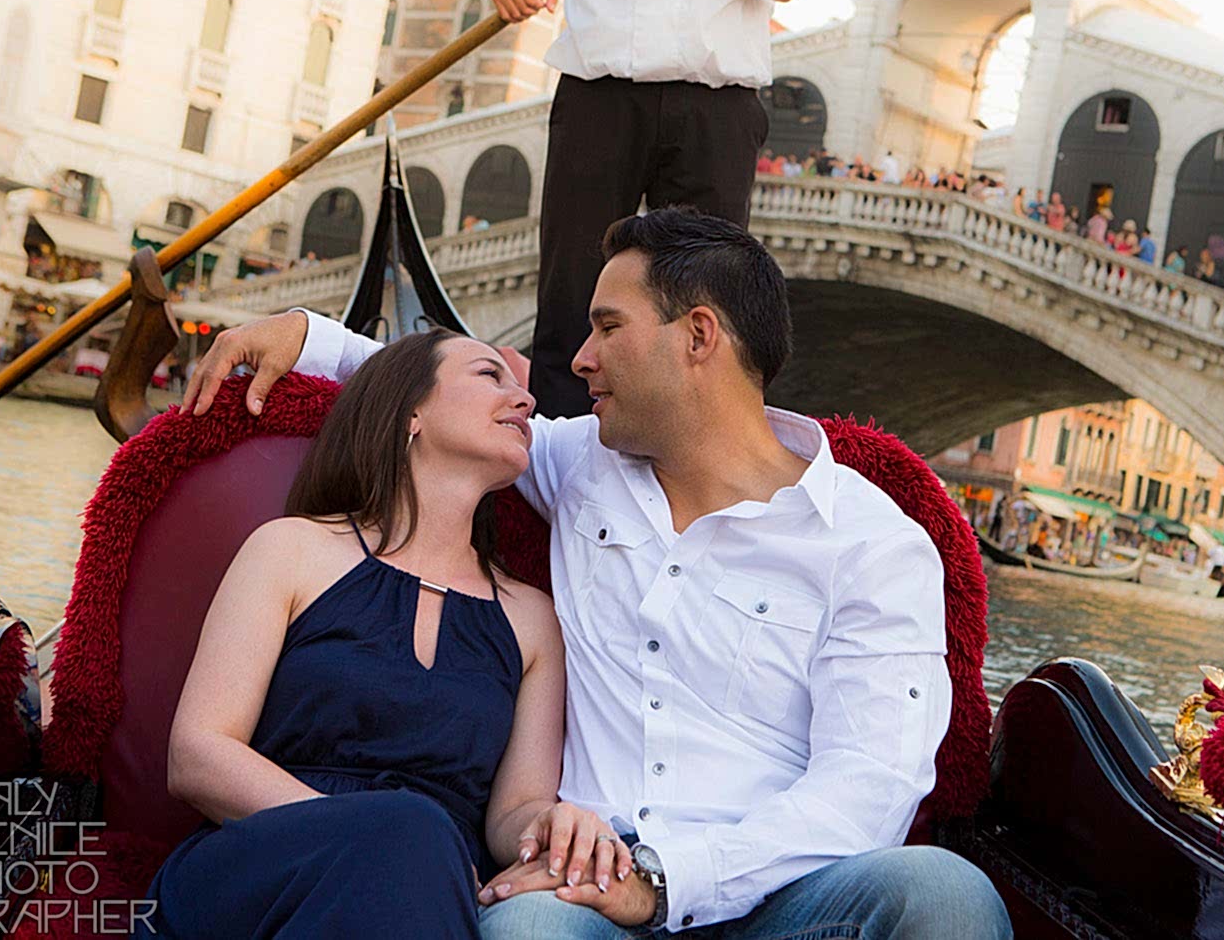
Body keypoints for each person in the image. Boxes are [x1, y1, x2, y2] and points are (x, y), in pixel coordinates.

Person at [182, 209, 1011, 939]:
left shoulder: (874, 542)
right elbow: (433, 403)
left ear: (697, 336)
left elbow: (869, 787)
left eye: (607, 328)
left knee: (941, 893)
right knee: (530, 929)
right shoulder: (582, 462)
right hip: (577, 896)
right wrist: (306, 334)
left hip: (782, 901)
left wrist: (659, 879)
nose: (576, 361)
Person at [140, 330, 578, 938]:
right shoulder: (290, 549)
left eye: (518, 386)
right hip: (264, 866)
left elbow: (515, 810)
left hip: (429, 889)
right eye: (489, 376)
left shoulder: (534, 618)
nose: (525, 401)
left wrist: (554, 830)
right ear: (412, 413)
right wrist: (369, 834)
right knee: (408, 831)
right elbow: (198, 755)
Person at [491, 0, 820, 419]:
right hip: (595, 101)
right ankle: (557, 468)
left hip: (714, 109)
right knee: (570, 296)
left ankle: (690, 464)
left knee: (704, 304)